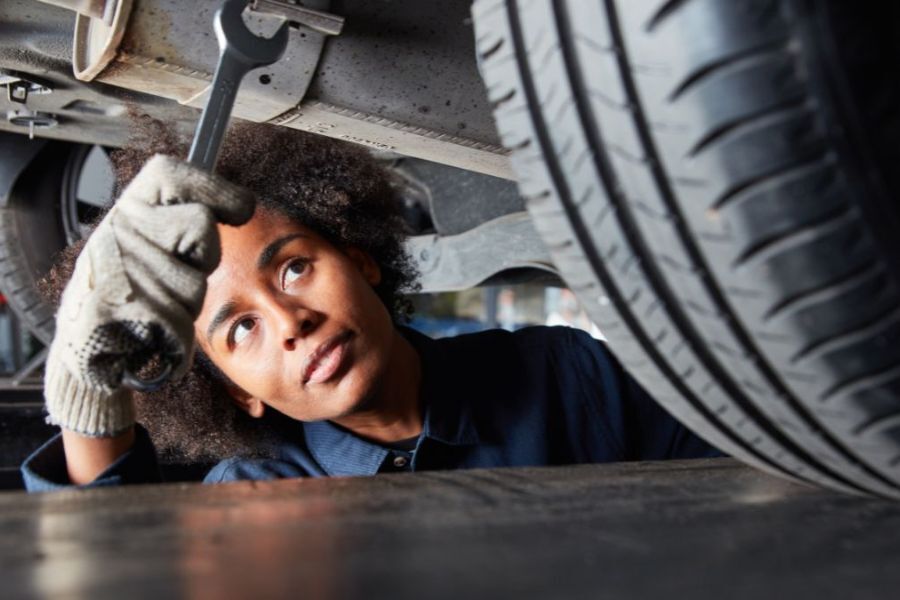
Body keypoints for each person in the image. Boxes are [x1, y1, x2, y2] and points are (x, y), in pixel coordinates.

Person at [22, 122, 721, 491]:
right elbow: (102, 568)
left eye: (294, 268)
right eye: (241, 328)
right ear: (238, 395)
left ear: (359, 259)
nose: (291, 323)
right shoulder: (252, 500)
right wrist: (88, 391)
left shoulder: (565, 380)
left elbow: (745, 465)